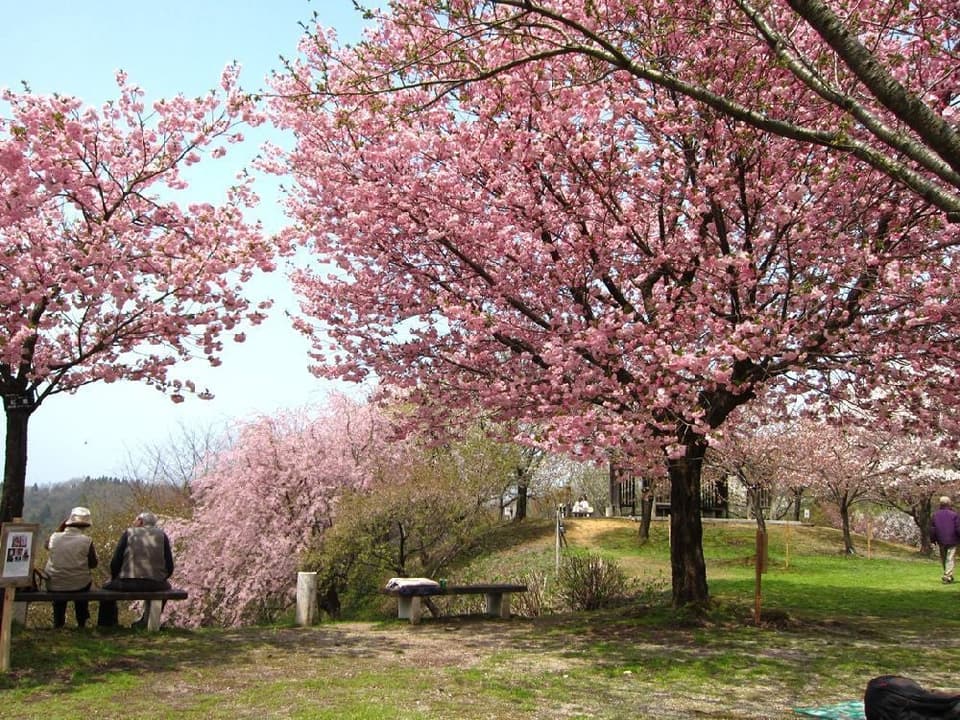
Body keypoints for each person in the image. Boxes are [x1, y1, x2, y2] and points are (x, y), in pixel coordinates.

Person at [97, 511, 174, 627]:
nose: (134, 522)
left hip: (127, 582)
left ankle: (107, 623)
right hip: (155, 584)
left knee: (106, 588)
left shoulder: (129, 533)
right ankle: (147, 620)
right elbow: (169, 565)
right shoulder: (162, 535)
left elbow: (116, 560)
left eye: (136, 520)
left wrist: (114, 577)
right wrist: (162, 578)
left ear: (141, 521)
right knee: (166, 588)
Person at [44, 506, 98, 628]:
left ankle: (58, 623)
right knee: (83, 585)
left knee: (59, 594)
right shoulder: (87, 540)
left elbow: (46, 546)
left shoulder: (54, 537)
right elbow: (93, 564)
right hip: (79, 585)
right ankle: (81, 622)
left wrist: (60, 528)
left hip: (54, 584)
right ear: (86, 526)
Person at [930, 496, 960, 584]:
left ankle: (948, 575)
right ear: (949, 503)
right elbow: (958, 528)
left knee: (944, 558)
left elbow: (933, 529)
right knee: (950, 558)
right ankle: (947, 575)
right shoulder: (954, 515)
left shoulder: (935, 515)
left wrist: (933, 540)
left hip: (941, 540)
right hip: (952, 539)